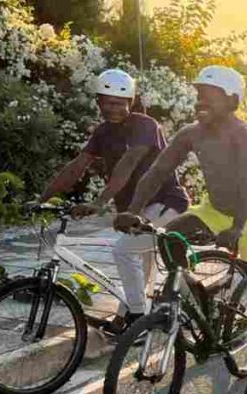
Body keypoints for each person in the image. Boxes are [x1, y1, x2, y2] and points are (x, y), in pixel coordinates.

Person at [113, 65, 247, 394]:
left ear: (232, 100)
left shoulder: (245, 134)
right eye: (198, 95)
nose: (200, 101)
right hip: (214, 208)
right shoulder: (191, 133)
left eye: (209, 95)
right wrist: (133, 210)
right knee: (170, 237)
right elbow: (157, 170)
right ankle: (200, 293)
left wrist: (237, 226)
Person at [41, 68, 189, 334]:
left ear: (131, 103)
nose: (115, 108)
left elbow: (129, 162)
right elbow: (77, 166)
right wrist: (41, 199)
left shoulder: (145, 125)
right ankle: (126, 322)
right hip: (135, 212)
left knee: (123, 251)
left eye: (121, 103)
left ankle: (137, 323)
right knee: (138, 269)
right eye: (108, 102)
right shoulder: (102, 133)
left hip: (164, 205)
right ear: (99, 102)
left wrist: (100, 202)